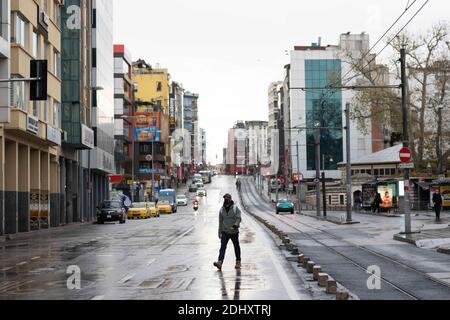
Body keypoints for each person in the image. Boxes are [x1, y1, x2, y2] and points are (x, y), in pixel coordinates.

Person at [214, 194, 242, 271]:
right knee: (222, 247)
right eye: (225, 199)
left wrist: (235, 225)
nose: (226, 200)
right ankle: (220, 262)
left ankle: (238, 261)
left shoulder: (235, 208)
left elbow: (239, 218)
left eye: (227, 199)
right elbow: (220, 221)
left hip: (234, 232)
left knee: (236, 247)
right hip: (225, 231)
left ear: (230, 199)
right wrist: (219, 232)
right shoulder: (222, 209)